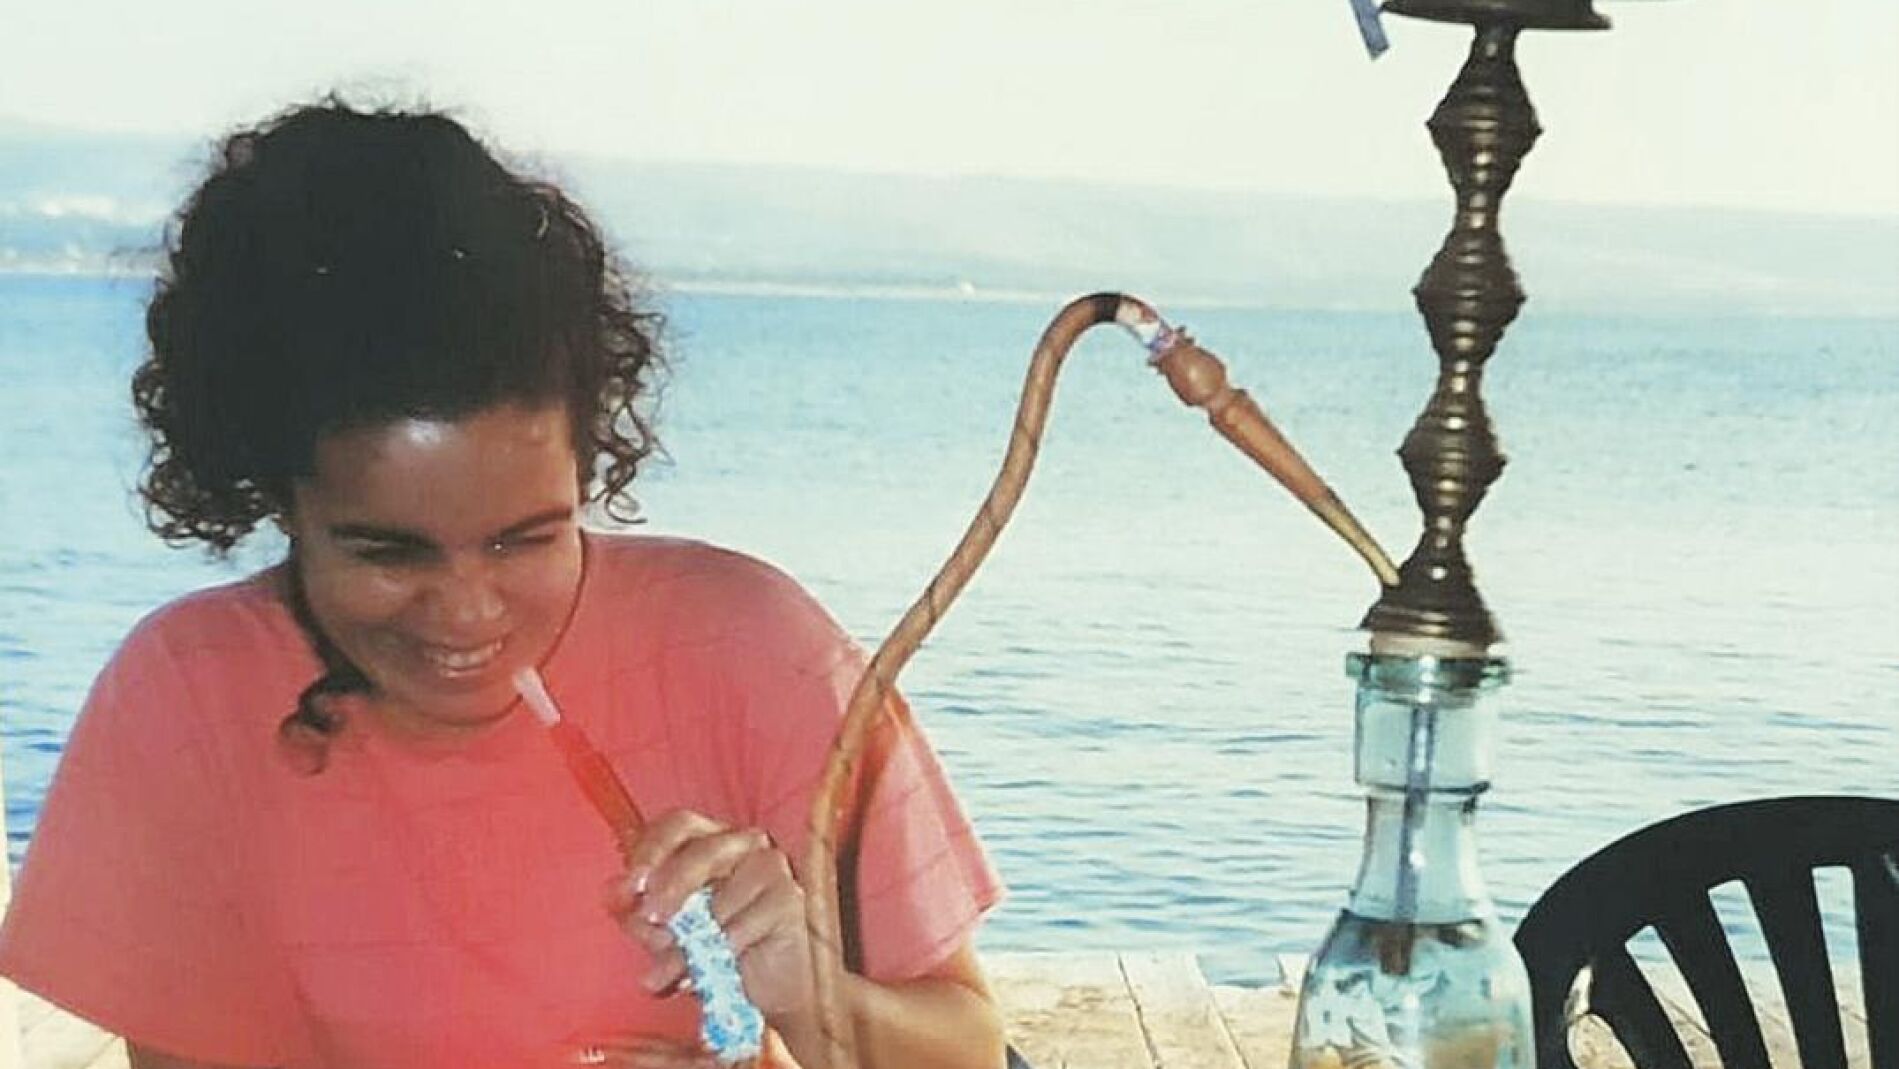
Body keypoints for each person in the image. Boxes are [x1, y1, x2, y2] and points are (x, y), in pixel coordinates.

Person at [0, 100, 1006, 1069]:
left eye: (526, 539)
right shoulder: (185, 700)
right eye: (389, 553)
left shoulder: (754, 648)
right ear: (276, 495)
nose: (469, 613)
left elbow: (968, 1054)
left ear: (587, 469)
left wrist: (810, 995)